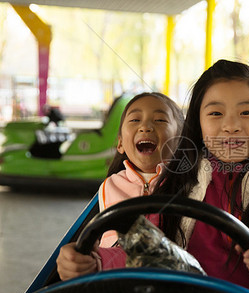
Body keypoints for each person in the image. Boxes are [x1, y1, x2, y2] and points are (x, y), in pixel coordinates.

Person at [58, 60, 249, 293]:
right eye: (215, 114)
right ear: (197, 123)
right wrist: (95, 263)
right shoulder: (177, 181)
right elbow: (143, 252)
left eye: (246, 113)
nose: (231, 126)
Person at [56, 92, 184, 273]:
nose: (145, 127)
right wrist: (87, 262)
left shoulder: (189, 185)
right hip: (117, 279)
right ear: (120, 144)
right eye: (135, 120)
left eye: (160, 120)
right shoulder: (111, 186)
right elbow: (112, 246)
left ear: (180, 143)